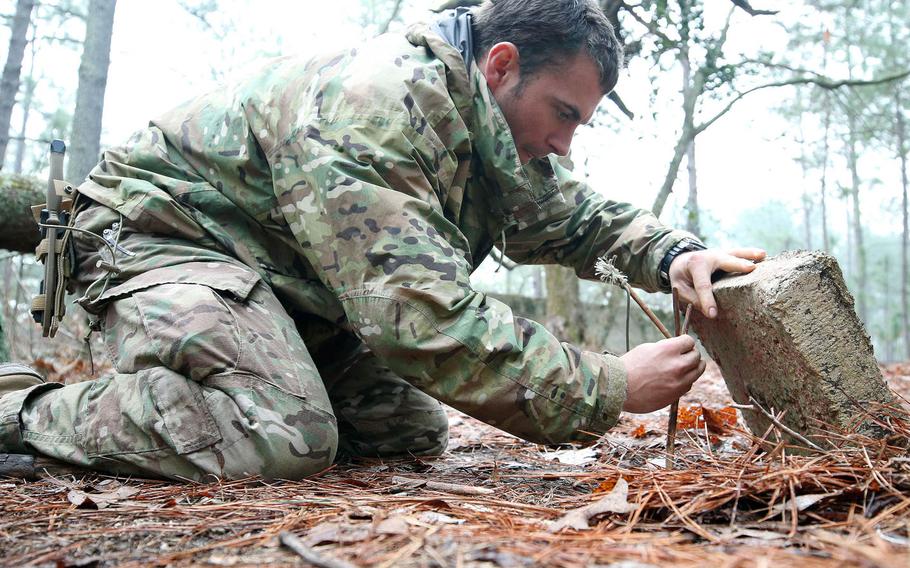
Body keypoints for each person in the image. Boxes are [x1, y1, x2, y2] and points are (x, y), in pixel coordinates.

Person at [0, 0, 765, 481]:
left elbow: (573, 213)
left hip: (270, 278)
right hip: (158, 243)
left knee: (402, 429)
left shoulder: (486, 121)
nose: (566, 143)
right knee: (284, 437)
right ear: (502, 66)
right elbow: (419, 320)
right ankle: (22, 410)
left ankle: (253, 382)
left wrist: (674, 253)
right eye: (563, 113)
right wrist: (607, 383)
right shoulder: (375, 109)